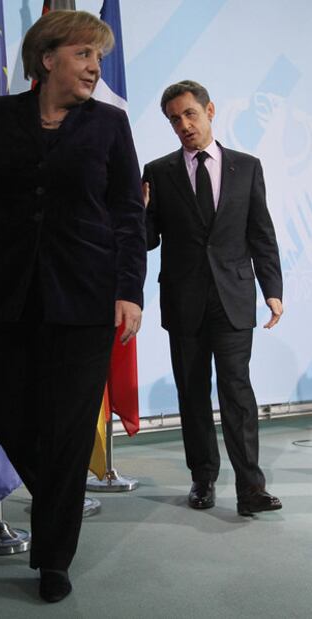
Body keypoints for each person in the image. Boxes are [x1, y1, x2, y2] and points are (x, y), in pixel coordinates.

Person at [0, 10, 146, 603]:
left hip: (86, 302)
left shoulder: (108, 126)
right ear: (48, 59)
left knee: (70, 433)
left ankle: (53, 559)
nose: (95, 67)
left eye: (98, 58)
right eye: (84, 55)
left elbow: (129, 214)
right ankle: (59, 501)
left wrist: (129, 290)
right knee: (9, 421)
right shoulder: (0, 118)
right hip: (8, 297)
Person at [143, 80, 283, 518]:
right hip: (184, 301)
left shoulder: (248, 166)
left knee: (237, 391)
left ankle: (251, 488)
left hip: (234, 297)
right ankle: (202, 479)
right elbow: (147, 240)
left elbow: (261, 232)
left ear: (210, 110)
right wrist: (136, 211)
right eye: (173, 120)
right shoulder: (158, 172)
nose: (183, 125)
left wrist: (272, 290)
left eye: (189, 114)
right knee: (192, 393)